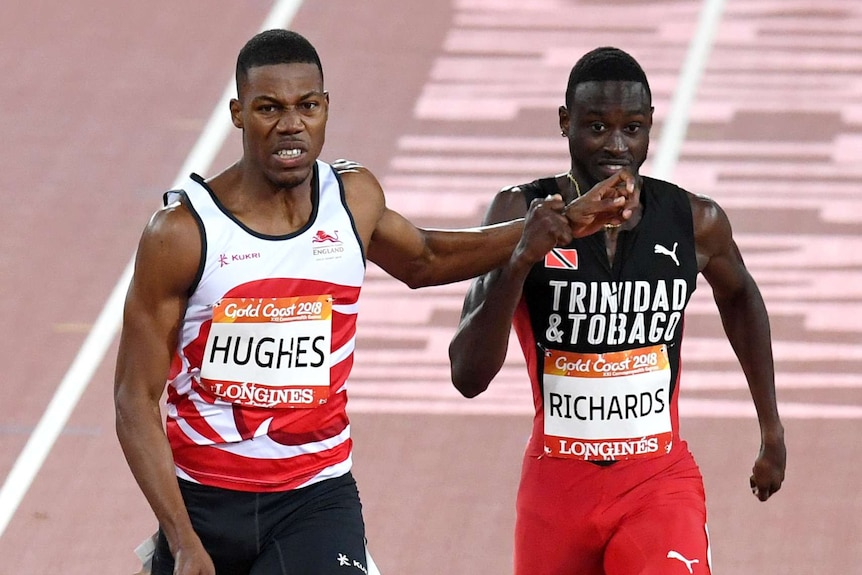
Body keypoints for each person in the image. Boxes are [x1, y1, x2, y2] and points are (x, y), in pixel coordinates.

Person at [113, 30, 635, 575]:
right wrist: (182, 538)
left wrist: (548, 227)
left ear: (325, 109)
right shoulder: (183, 233)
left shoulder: (351, 199)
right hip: (204, 504)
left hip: (315, 499)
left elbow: (426, 258)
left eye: (306, 106)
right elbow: (134, 399)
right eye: (270, 108)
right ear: (239, 113)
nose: (291, 124)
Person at [448, 46, 786, 575]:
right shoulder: (522, 212)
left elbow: (741, 296)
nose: (616, 145)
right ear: (565, 124)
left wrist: (771, 427)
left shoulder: (694, 221)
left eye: (632, 128)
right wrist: (518, 261)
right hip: (556, 487)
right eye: (597, 127)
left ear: (651, 127)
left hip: (657, 482)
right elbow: (467, 374)